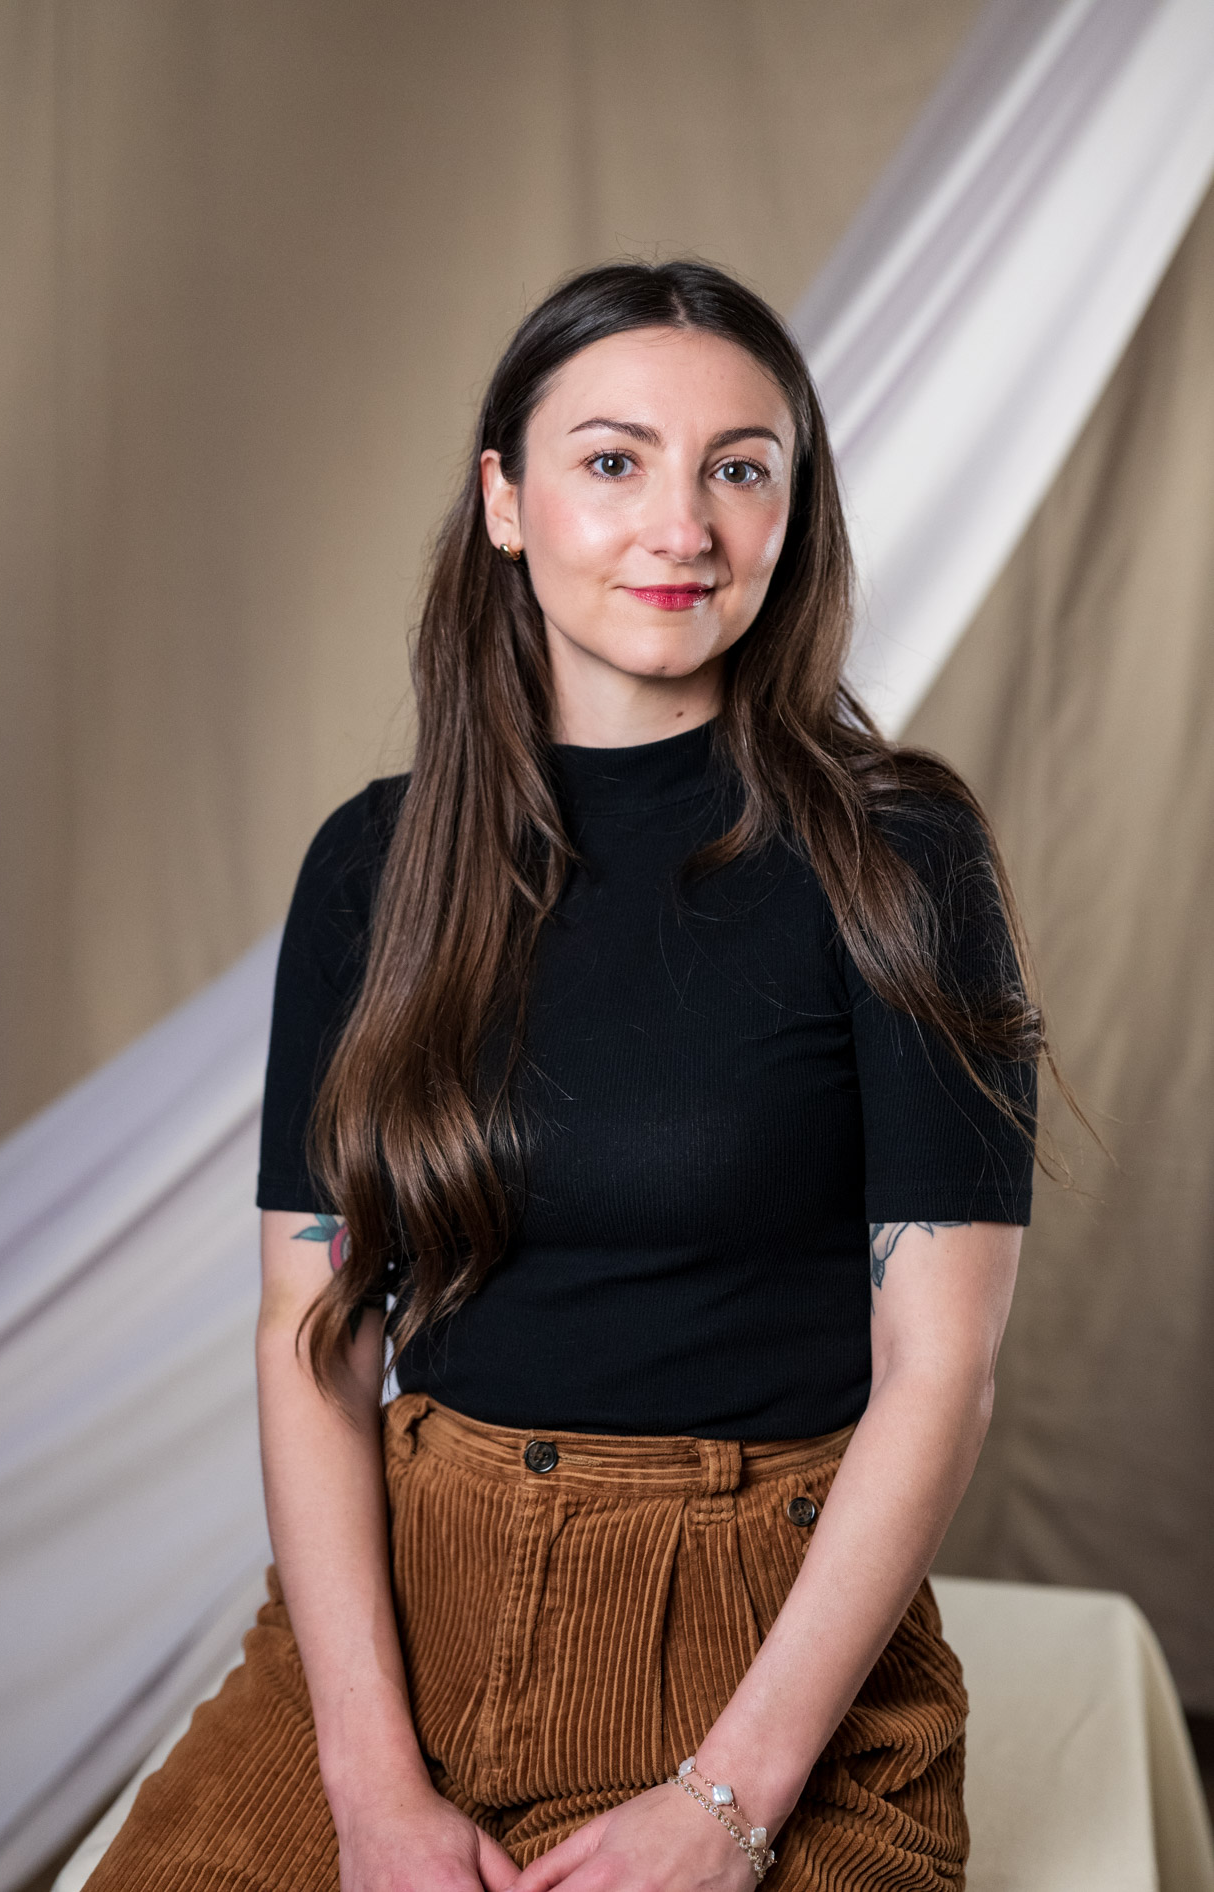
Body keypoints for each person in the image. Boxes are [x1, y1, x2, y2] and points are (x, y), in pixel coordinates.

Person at [87, 260, 1049, 1892]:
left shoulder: (899, 857)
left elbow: (935, 1372)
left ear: (790, 512)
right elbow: (309, 1332)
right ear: (505, 502)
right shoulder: (372, 868)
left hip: (764, 1647)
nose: (681, 527)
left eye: (737, 469)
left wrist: (726, 1805)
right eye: (613, 461)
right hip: (413, 1610)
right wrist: (369, 1783)